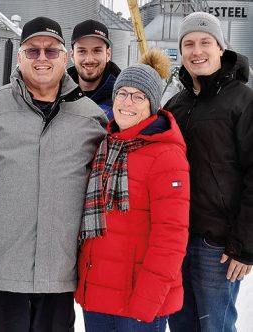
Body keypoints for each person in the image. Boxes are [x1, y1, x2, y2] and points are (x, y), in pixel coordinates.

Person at [0, 17, 107, 332]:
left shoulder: (91, 119)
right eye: (32, 51)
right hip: (1, 264)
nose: (41, 58)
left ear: (65, 58)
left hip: (60, 268)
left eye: (51, 51)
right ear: (20, 56)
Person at [75, 48, 190, 332]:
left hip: (137, 305)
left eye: (138, 96)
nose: (127, 102)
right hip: (98, 297)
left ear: (152, 105)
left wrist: (146, 302)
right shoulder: (104, 146)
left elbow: (171, 239)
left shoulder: (166, 156)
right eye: (122, 93)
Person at [165, 12, 253, 332]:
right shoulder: (176, 104)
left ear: (221, 48)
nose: (196, 50)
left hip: (217, 245)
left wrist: (244, 247)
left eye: (205, 42)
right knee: (181, 323)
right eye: (188, 43)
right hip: (176, 239)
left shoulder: (243, 101)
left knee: (214, 325)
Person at [68, 19, 121, 120]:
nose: (89, 60)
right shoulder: (58, 94)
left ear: (108, 54)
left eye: (97, 51)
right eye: (82, 51)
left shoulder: (124, 98)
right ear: (72, 55)